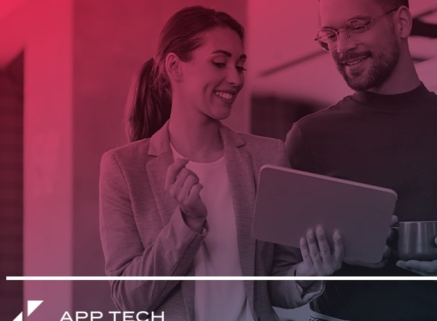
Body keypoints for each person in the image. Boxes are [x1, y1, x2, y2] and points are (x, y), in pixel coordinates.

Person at [98, 6, 343, 321]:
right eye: (219, 62)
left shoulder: (267, 157)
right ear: (174, 66)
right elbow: (128, 299)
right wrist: (187, 223)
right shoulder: (123, 168)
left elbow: (272, 284)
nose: (235, 78)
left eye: (240, 65)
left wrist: (307, 272)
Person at [285, 0, 437, 320]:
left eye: (357, 26)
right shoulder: (308, 136)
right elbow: (283, 264)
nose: (342, 46)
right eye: (330, 34)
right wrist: (318, 263)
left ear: (401, 23)